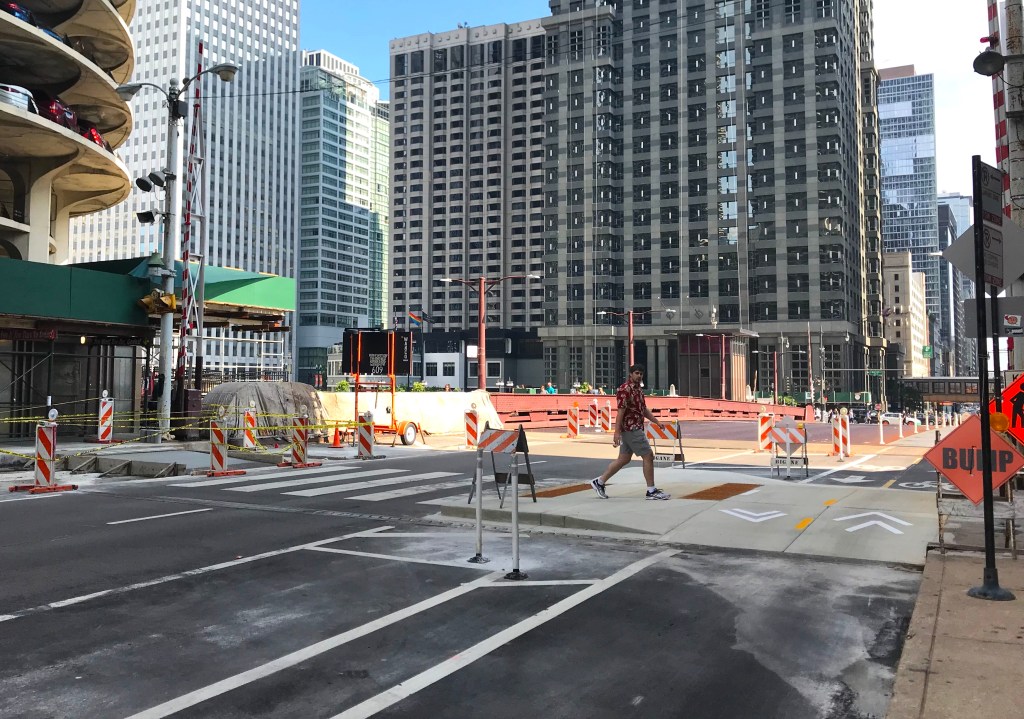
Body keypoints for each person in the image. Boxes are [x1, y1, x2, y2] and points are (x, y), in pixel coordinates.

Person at [590, 364, 670, 500]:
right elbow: (620, 412)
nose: (639, 376)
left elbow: (643, 409)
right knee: (648, 455)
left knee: (624, 459)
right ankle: (651, 491)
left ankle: (599, 482)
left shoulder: (638, 389)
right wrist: (616, 432)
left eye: (641, 374)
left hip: (633, 427)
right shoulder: (624, 389)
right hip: (631, 428)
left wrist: (656, 421)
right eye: (637, 373)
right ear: (631, 374)